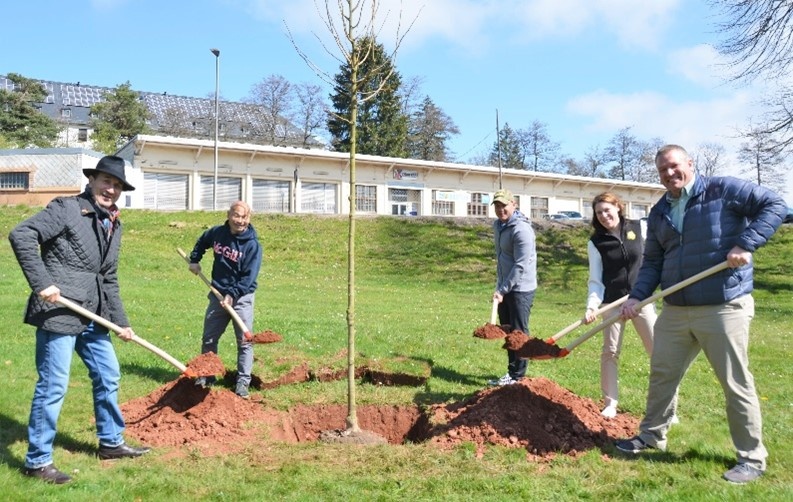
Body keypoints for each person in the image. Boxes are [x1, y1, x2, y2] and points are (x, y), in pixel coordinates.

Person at [615, 144, 786, 484]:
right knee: (662, 374)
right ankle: (652, 436)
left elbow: (775, 204)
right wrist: (636, 297)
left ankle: (751, 458)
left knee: (735, 383)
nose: (669, 174)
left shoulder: (723, 190)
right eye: (663, 170)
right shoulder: (660, 210)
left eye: (674, 166)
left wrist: (746, 243)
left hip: (723, 304)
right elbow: (653, 262)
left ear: (689, 164)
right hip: (677, 308)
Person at [8, 155, 151, 485]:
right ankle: (37, 461)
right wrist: (42, 283)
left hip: (94, 314)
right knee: (54, 385)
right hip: (59, 311)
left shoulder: (114, 223)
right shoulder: (68, 209)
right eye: (106, 181)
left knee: (109, 374)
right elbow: (23, 235)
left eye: (116, 185)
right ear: (92, 180)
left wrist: (122, 321)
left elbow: (109, 277)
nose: (110, 189)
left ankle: (111, 442)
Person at [583, 192, 658, 418]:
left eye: (607, 209)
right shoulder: (596, 242)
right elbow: (596, 280)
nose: (604, 215)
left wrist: (644, 292)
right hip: (612, 303)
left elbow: (653, 261)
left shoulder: (640, 228)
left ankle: (664, 406)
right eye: (599, 212)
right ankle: (610, 403)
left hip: (642, 299)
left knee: (657, 352)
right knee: (610, 352)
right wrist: (591, 306)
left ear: (618, 207)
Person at [187, 201, 262, 400]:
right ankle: (207, 376)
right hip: (217, 294)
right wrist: (195, 260)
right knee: (209, 338)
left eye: (244, 217)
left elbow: (248, 278)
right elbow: (203, 241)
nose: (240, 221)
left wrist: (232, 295)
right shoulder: (217, 233)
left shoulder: (252, 245)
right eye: (237, 216)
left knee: (245, 342)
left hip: (241, 298)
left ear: (249, 218)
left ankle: (243, 383)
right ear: (229, 215)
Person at [487, 189, 538, 386]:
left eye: (504, 205)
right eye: (497, 206)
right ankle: (511, 372)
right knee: (507, 330)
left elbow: (520, 265)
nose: (501, 210)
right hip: (505, 287)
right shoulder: (499, 226)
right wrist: (499, 287)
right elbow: (503, 260)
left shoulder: (521, 230)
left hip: (521, 289)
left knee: (518, 331)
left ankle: (517, 376)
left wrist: (503, 289)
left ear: (513, 204)